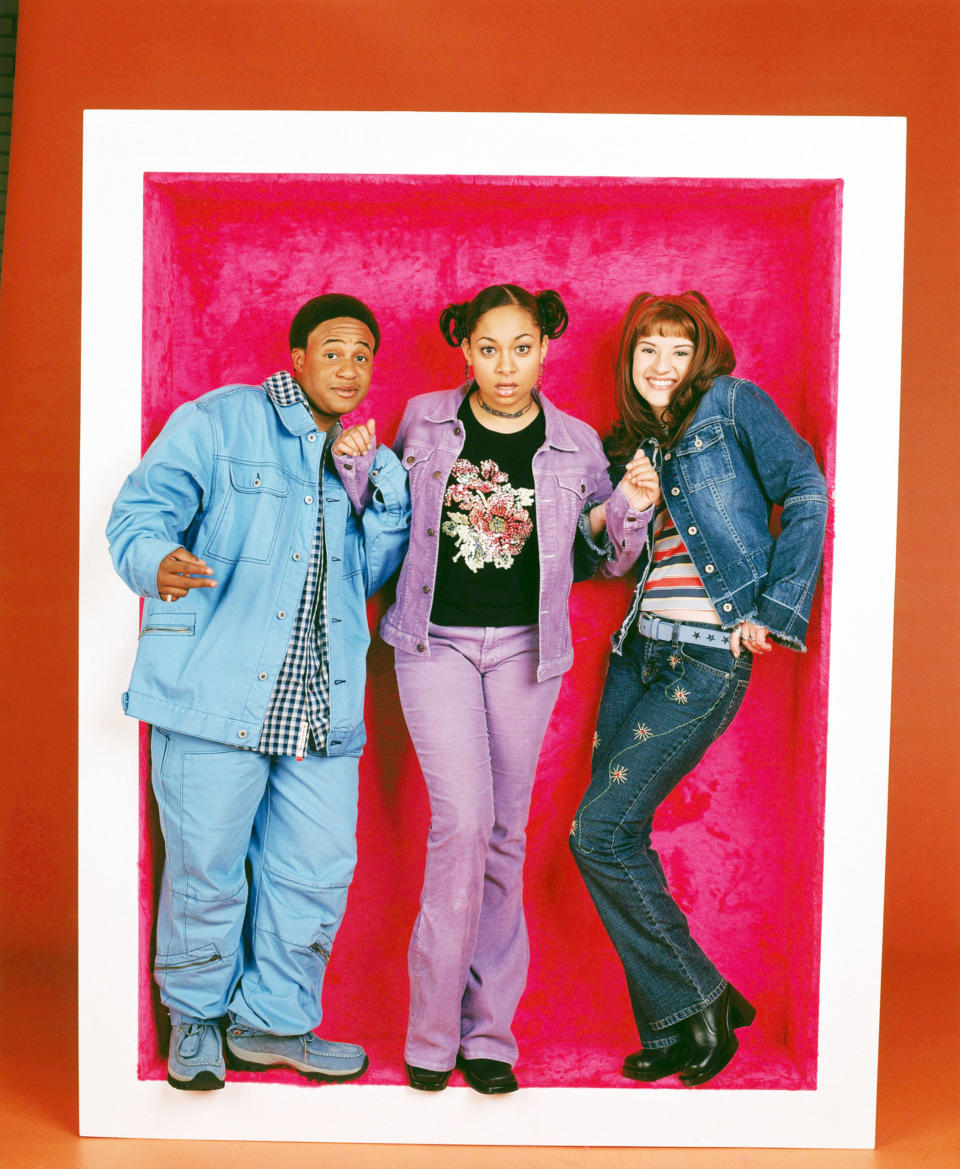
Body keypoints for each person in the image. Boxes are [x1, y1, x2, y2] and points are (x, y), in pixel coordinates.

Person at [106, 293, 410, 1091]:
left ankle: (272, 1023)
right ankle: (198, 1021)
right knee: (207, 866)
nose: (350, 367)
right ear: (299, 358)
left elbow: (378, 575)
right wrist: (155, 560)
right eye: (333, 351)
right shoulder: (220, 421)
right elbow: (140, 512)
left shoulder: (373, 459)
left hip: (321, 710)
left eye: (363, 355)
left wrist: (369, 486)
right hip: (215, 693)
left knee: (314, 871)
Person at [570, 290, 828, 1087]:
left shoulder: (732, 404)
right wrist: (628, 506)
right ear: (630, 361)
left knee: (595, 831)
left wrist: (776, 612)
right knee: (617, 837)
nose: (661, 365)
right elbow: (601, 563)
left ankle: (704, 996)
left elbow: (807, 489)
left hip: (707, 656)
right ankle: (682, 1020)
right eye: (648, 350)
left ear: (701, 356)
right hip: (637, 652)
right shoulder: (634, 443)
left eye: (678, 350)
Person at [378, 283, 612, 1094]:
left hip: (525, 651)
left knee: (506, 834)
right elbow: (376, 517)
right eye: (488, 348)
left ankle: (489, 1038)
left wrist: (633, 512)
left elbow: (607, 556)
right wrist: (348, 468)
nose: (505, 366)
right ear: (464, 349)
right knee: (464, 822)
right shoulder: (422, 421)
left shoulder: (577, 444)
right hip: (433, 641)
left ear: (546, 347)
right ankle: (432, 1036)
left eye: (521, 347)